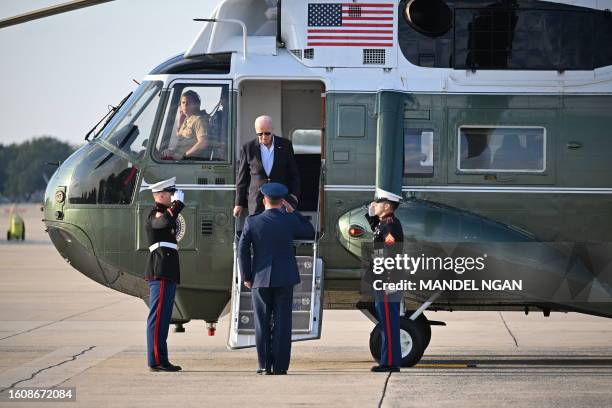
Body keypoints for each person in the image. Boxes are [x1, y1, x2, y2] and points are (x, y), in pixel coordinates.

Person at [238, 183, 315, 375]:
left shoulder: (252, 221)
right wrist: (293, 212)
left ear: (264, 200)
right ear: (282, 202)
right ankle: (280, 366)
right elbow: (309, 230)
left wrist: (246, 275)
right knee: (282, 323)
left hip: (260, 278)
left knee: (262, 322)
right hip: (285, 277)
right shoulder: (289, 220)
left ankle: (264, 365)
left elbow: (242, 250)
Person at [145, 177, 185, 372]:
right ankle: (156, 361)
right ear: (161, 195)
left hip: (167, 271)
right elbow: (162, 223)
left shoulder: (164, 215)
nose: (173, 196)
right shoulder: (155, 215)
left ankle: (162, 359)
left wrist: (176, 206)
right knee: (158, 318)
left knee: (164, 318)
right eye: (171, 193)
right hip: (160, 270)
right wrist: (178, 205)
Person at [365, 191, 404, 373]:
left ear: (387, 206)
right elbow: (378, 233)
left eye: (379, 202)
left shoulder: (390, 226)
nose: (375, 204)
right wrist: (371, 216)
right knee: (387, 321)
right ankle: (389, 360)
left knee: (389, 322)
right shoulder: (385, 224)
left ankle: (389, 362)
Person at [234, 115, 300, 216]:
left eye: (267, 133)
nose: (264, 137)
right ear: (256, 131)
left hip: (280, 199)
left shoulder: (285, 145)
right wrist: (238, 203)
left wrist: (294, 195)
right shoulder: (247, 148)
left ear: (272, 130)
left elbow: (294, 174)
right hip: (257, 201)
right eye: (260, 134)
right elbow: (242, 178)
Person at [162, 90, 209, 160]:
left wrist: (184, 156)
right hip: (181, 159)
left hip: (188, 162)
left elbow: (203, 143)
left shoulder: (198, 120)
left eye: (189, 103)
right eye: (183, 102)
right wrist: (171, 152)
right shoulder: (186, 121)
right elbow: (181, 143)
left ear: (196, 105)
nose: (185, 105)